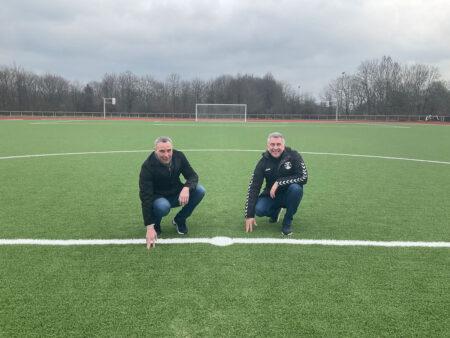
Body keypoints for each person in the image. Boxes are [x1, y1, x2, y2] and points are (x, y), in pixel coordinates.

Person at [139, 136, 205, 249]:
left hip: (177, 193)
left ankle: (179, 220)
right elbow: (145, 197)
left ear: (172, 148)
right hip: (158, 198)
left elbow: (192, 176)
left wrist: (186, 188)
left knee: (200, 190)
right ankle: (156, 224)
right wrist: (149, 227)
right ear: (155, 150)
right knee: (163, 206)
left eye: (169, 150)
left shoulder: (179, 156)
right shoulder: (147, 166)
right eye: (162, 151)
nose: (166, 155)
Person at [244, 132, 308, 235]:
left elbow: (303, 177)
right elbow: (254, 187)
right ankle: (275, 211)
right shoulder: (263, 162)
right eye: (272, 144)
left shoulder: (294, 156)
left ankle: (287, 221)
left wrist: (279, 182)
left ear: (283, 145)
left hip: (289, 194)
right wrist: (249, 215)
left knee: (296, 189)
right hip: (272, 195)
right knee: (259, 209)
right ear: (267, 146)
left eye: (278, 144)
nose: (275, 148)